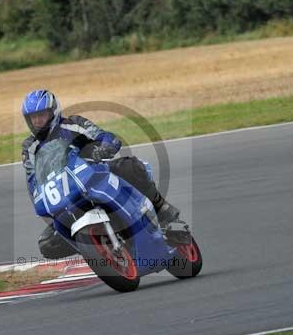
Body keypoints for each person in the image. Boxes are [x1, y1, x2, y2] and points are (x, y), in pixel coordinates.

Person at [21, 89, 181, 259]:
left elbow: (103, 135)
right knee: (47, 243)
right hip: (64, 192)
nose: (37, 121)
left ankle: (162, 210)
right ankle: (94, 248)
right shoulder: (29, 147)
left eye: (41, 115)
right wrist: (40, 198)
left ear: (53, 112)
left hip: (94, 173)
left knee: (130, 167)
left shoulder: (73, 123)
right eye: (33, 117)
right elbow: (33, 179)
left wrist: (105, 146)